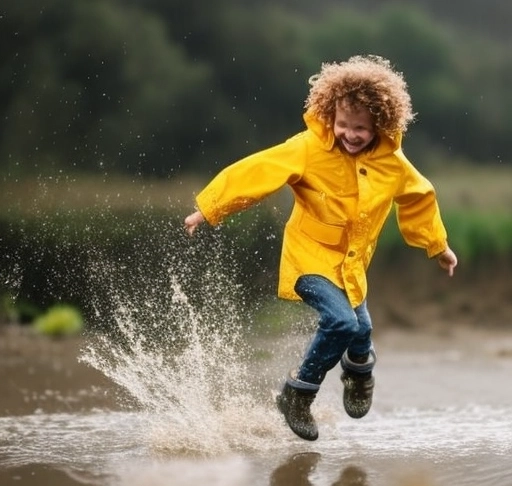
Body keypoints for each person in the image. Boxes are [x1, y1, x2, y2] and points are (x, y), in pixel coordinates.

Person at [184, 55, 458, 441]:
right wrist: (208, 209)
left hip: (350, 265)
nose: (349, 134)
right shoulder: (309, 148)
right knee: (344, 323)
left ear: (381, 123)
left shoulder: (392, 163)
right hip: (308, 259)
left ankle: (359, 371)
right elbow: (257, 171)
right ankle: (298, 393)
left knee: (362, 329)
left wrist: (437, 246)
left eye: (360, 128)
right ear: (329, 115)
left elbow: (419, 198)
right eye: (342, 124)